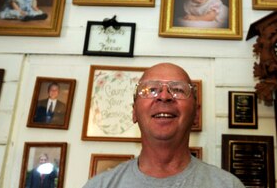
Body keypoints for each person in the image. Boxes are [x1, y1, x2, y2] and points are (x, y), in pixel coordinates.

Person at [83, 63, 245, 188]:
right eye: (151, 89)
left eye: (178, 90)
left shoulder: (228, 185)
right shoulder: (99, 186)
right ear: (134, 113)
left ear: (196, 114)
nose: (164, 96)